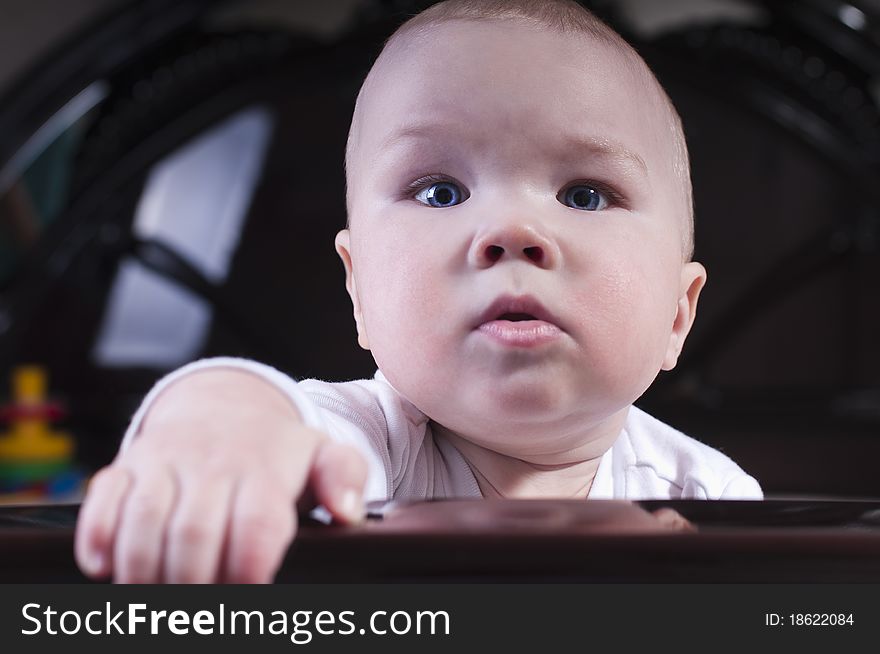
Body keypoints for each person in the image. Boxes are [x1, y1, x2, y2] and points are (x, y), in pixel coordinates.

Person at [75, 0, 761, 584]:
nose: (513, 230)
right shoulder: (367, 450)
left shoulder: (713, 498)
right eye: (440, 192)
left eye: (585, 194)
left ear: (678, 314)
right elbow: (279, 425)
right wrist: (218, 424)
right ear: (359, 292)